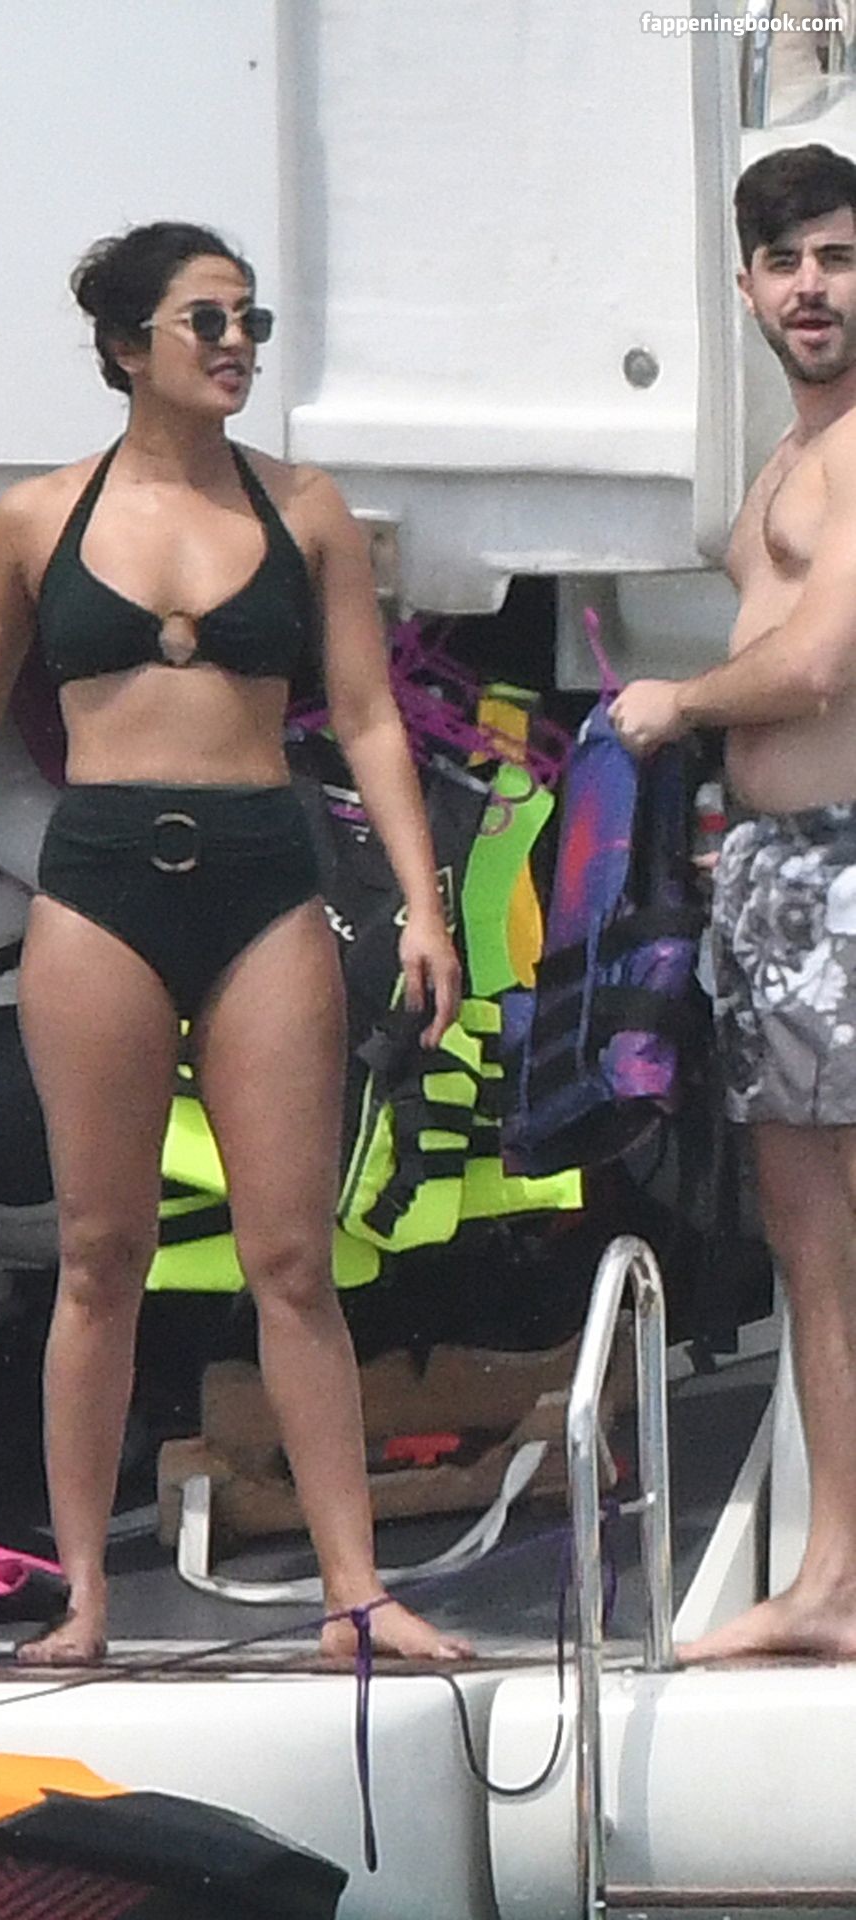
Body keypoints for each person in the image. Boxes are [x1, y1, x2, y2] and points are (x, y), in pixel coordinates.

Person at [0, 222, 467, 1665]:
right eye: (207, 322)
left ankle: (356, 1592)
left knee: (291, 1256)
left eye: (250, 321)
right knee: (98, 1250)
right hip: (100, 883)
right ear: (130, 349)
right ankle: (83, 1596)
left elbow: (367, 717)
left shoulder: (306, 509)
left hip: (261, 877)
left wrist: (424, 903)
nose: (237, 345)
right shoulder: (33, 519)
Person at [611, 143, 856, 1660]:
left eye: (837, 256)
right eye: (784, 264)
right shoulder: (784, 455)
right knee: (806, 1244)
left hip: (846, 867)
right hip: (777, 878)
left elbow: (820, 662)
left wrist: (679, 704)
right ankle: (834, 1580)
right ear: (749, 288)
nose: (811, 288)